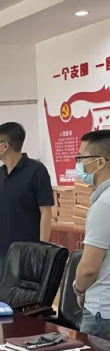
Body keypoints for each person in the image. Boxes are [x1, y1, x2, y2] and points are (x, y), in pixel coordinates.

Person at [0, 122, 54, 284]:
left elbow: (46, 212)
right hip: (3, 252)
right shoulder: (1, 173)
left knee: (27, 297)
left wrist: (42, 249)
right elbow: (0, 212)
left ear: (5, 146)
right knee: (3, 296)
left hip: (28, 252)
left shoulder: (37, 170)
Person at [74, 130, 110, 339]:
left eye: (81, 158)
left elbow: (88, 268)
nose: (79, 164)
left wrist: (79, 290)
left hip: (102, 313)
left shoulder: (104, 204)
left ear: (100, 162)